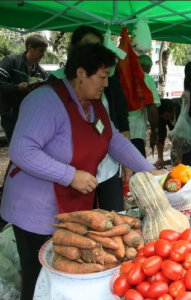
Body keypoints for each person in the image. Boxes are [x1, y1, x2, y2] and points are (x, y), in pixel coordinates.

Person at [0, 43, 164, 300]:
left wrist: (150, 171)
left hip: (71, 208)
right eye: (101, 77)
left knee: (66, 274)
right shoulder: (44, 101)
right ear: (80, 73)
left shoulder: (93, 103)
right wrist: (70, 175)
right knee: (39, 276)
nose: (106, 84)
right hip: (35, 210)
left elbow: (113, 140)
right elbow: (22, 151)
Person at [50, 25, 131, 212]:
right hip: (74, 169)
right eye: (87, 45)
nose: (93, 52)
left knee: (113, 213)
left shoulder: (106, 82)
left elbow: (117, 128)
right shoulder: (54, 86)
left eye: (97, 46)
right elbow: (25, 150)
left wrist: (131, 163)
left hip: (108, 164)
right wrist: (68, 174)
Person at [0, 34, 48, 143]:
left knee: (27, 147)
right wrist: (17, 88)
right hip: (11, 115)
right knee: (15, 146)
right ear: (30, 48)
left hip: (30, 116)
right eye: (41, 50)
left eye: (45, 51)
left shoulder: (41, 72)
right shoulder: (11, 62)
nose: (43, 54)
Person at [128, 54, 160, 158]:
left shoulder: (125, 77)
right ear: (149, 68)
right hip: (136, 131)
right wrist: (154, 131)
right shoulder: (147, 79)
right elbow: (152, 110)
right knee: (137, 168)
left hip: (120, 131)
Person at [154, 99, 182, 168]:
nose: (165, 119)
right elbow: (161, 135)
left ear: (173, 110)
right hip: (176, 140)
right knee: (174, 160)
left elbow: (185, 136)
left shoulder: (182, 111)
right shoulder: (162, 116)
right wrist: (160, 157)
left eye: (166, 117)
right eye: (163, 117)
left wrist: (180, 158)